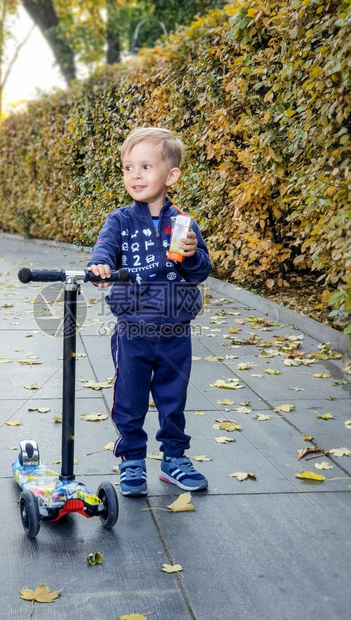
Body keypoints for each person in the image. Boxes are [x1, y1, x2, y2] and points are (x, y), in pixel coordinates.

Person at [87, 127, 212, 497]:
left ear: (171, 175)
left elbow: (201, 270)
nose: (135, 175)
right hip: (134, 329)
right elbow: (104, 251)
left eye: (145, 166)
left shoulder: (184, 224)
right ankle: (132, 460)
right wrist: (100, 267)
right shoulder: (121, 220)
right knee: (130, 397)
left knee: (173, 399)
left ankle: (174, 459)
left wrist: (192, 255)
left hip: (175, 329)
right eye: (128, 168)